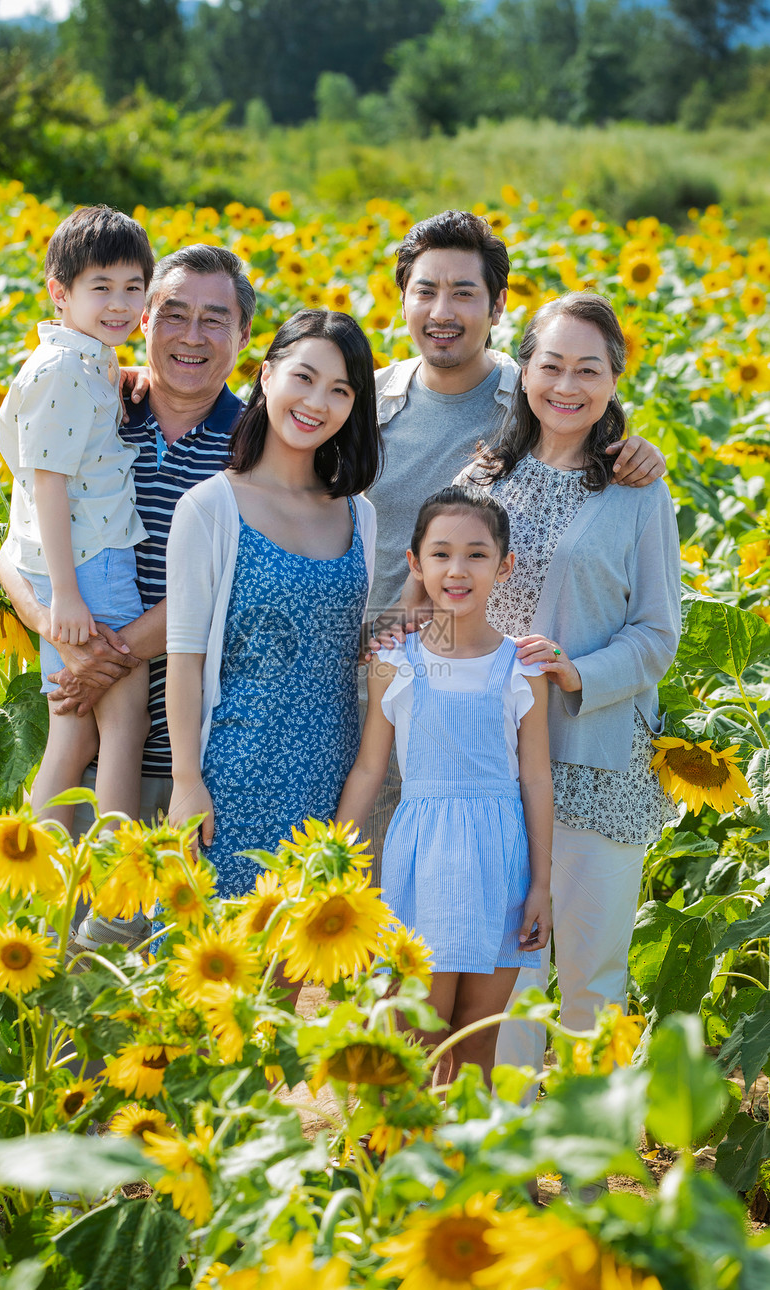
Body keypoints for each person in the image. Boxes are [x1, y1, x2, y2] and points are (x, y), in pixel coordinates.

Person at [390, 292, 681, 1092]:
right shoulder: (486, 473)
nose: (567, 385)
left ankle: (591, 1175)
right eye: (550, 365)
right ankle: (512, 1166)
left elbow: (660, 633)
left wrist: (576, 671)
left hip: (596, 763)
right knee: (511, 987)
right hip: (493, 776)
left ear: (615, 379)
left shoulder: (636, 487)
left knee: (592, 983)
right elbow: (435, 589)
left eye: (590, 369)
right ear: (525, 373)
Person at [364, 210, 667, 877]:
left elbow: (584, 418)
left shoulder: (529, 398)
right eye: (426, 290)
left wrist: (641, 451)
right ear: (403, 298)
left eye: (465, 293)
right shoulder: (361, 400)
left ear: (498, 305)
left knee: (486, 924)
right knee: (387, 905)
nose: (443, 311)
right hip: (384, 672)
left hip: (490, 710)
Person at [0, 244, 255, 949]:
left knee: (148, 998)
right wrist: (53, 625)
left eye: (214, 319)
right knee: (56, 987)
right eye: (173, 314)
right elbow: (10, 550)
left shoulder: (254, 446)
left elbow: (229, 587)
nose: (191, 337)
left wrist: (103, 660)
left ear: (243, 336)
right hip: (77, 733)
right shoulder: (96, 405)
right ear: (144, 321)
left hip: (187, 764)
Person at [162, 309, 381, 903]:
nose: (317, 402)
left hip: (328, 781)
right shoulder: (211, 507)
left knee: (293, 976)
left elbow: (353, 645)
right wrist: (187, 783)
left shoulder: (361, 514)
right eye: (304, 378)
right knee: (211, 971)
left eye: (340, 390)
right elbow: (183, 661)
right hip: (232, 776)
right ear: (266, 375)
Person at [338, 485, 552, 1086]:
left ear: (504, 566)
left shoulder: (523, 665)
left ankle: (478, 1176)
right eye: (440, 554)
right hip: (421, 863)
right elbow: (369, 770)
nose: (457, 570)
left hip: (499, 868)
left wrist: (541, 884)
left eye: (477, 554)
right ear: (415, 563)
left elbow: (536, 778)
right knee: (420, 1039)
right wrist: (329, 862)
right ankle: (406, 1169)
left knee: (478, 1043)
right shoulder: (394, 659)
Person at [0, 205, 155, 831]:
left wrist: (128, 374)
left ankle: (45, 885)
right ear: (59, 293)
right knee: (125, 716)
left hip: (77, 561)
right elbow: (48, 485)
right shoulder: (64, 368)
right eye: (101, 288)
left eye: (132, 288)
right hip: (87, 564)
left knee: (74, 732)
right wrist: (64, 595)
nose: (120, 304)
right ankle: (115, 883)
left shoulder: (85, 358)